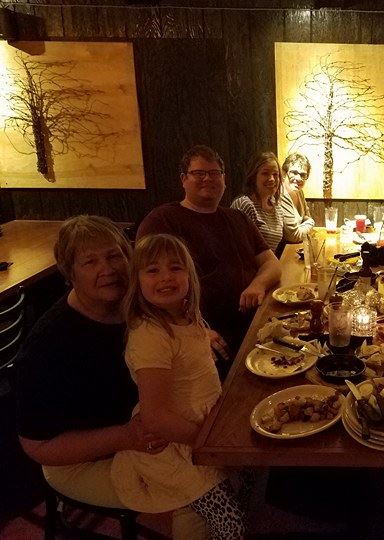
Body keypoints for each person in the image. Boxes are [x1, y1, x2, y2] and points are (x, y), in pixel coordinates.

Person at [15, 215, 207, 539]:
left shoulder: (137, 305)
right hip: (83, 460)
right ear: (69, 273)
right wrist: (124, 437)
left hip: (148, 428)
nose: (108, 269)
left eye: (115, 256)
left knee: (236, 454)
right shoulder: (46, 346)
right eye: (90, 261)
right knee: (198, 491)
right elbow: (36, 445)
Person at [111, 233, 250, 539]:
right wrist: (209, 446)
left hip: (204, 426)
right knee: (232, 524)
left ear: (189, 275)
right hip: (177, 445)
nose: (166, 277)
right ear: (137, 281)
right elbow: (156, 418)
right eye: (153, 270)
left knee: (253, 469)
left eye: (175, 268)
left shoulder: (186, 315)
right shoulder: (150, 335)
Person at [137, 144, 281, 357]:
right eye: (199, 173)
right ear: (183, 179)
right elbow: (147, 289)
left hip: (255, 325)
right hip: (208, 338)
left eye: (214, 173)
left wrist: (258, 285)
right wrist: (193, 331)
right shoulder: (163, 220)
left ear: (224, 179)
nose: (208, 178)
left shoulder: (237, 218)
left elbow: (272, 263)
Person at [231, 152, 287, 253]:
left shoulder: (277, 207)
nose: (272, 179)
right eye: (265, 173)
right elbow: (236, 249)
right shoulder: (244, 205)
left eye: (275, 174)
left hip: (270, 262)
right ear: (254, 177)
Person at [280, 152, 314, 242]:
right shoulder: (281, 194)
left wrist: (305, 223)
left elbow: (307, 216)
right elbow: (293, 236)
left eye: (303, 175)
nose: (299, 178)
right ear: (284, 173)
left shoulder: (299, 192)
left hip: (296, 246)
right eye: (294, 172)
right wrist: (311, 222)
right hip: (283, 249)